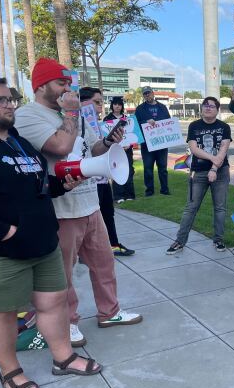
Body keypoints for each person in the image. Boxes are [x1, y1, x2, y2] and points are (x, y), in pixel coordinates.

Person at [0, 74, 102, 388]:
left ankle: (63, 357)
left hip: (41, 242)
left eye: (10, 99)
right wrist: (1, 231)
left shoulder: (17, 141)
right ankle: (10, 372)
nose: (9, 105)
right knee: (1, 311)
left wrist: (60, 185)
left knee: (54, 301)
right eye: (0, 100)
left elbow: (37, 183)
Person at [15, 57, 142, 347]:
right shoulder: (29, 115)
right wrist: (71, 113)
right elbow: (60, 147)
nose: (67, 89)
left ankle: (110, 312)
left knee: (104, 263)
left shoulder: (76, 116)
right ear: (41, 85)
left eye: (69, 83)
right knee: (63, 273)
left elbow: (91, 149)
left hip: (89, 202)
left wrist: (108, 141)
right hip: (60, 208)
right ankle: (67, 322)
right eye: (61, 83)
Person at [167, 97, 231, 254]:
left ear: (217, 110)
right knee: (191, 207)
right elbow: (194, 149)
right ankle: (179, 241)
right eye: (205, 106)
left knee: (220, 208)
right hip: (199, 172)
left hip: (220, 172)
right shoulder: (194, 126)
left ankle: (219, 240)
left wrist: (214, 169)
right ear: (201, 108)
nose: (208, 108)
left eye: (212, 106)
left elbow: (223, 149)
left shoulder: (224, 127)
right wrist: (212, 159)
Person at [80, 87, 134, 257]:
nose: (100, 107)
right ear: (82, 102)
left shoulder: (97, 124)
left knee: (108, 214)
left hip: (102, 178)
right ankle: (88, 251)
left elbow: (100, 148)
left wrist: (110, 141)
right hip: (88, 181)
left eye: (101, 103)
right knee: (91, 219)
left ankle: (113, 244)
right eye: (96, 102)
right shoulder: (76, 124)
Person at [134, 86, 171, 196]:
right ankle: (149, 191)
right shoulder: (140, 109)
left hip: (161, 143)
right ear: (143, 95)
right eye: (145, 94)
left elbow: (169, 122)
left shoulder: (163, 107)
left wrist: (158, 122)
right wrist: (146, 122)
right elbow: (136, 124)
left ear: (153, 93)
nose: (147, 95)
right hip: (147, 144)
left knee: (163, 168)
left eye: (148, 93)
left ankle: (165, 189)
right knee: (148, 168)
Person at [104, 96, 136, 203]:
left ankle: (130, 194)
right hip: (114, 150)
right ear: (112, 105)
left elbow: (132, 135)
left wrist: (130, 145)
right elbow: (105, 137)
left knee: (129, 171)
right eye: (115, 104)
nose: (117, 106)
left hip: (127, 150)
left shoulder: (127, 119)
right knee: (116, 170)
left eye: (119, 104)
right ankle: (118, 196)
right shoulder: (107, 119)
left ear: (122, 106)